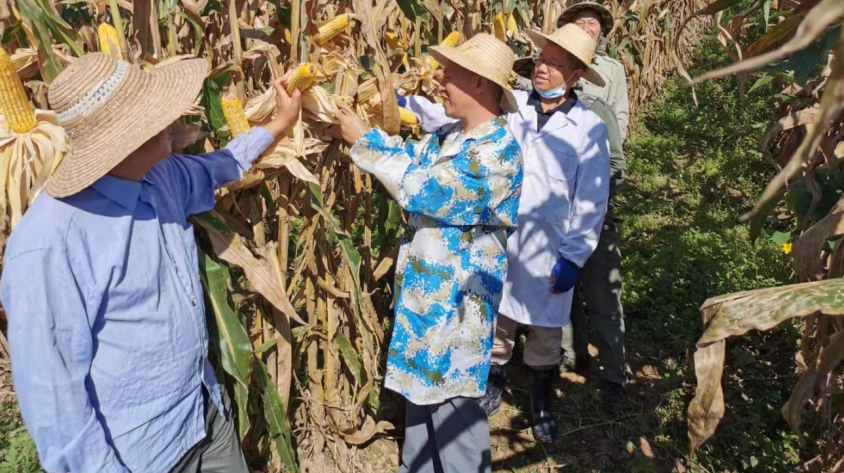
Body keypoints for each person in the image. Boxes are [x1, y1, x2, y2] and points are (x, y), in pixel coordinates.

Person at [1, 53, 302, 473]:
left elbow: (221, 166)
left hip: (206, 418)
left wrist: (280, 123)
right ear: (120, 139)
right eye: (154, 114)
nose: (171, 120)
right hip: (141, 456)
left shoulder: (160, 176)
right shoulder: (49, 246)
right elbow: (55, 406)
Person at [405, 24, 611, 443]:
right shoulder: (512, 107)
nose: (542, 69)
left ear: (575, 76)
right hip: (498, 240)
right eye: (541, 59)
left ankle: (540, 405)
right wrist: (406, 105)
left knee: (544, 335)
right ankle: (490, 387)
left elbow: (592, 200)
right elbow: (452, 116)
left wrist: (573, 257)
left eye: (556, 64)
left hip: (549, 249)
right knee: (496, 325)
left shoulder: (589, 128)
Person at [333, 33, 523, 473]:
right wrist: (356, 133)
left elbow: (426, 189)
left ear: (479, 84)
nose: (439, 80)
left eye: (450, 73)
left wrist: (364, 142)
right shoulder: (452, 138)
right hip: (427, 308)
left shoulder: (499, 155)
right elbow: (409, 156)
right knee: (420, 406)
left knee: (454, 417)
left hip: (457, 315)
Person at [557, 2, 629, 414]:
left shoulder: (599, 107)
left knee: (602, 292)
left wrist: (595, 197)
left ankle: (615, 374)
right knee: (561, 290)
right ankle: (570, 355)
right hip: (552, 220)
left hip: (594, 215)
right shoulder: (533, 108)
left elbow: (615, 161)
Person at [558, 2, 630, 140]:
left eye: (592, 24)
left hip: (594, 145)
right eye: (580, 23)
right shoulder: (554, 61)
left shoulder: (612, 69)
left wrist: (612, 149)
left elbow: (619, 114)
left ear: (601, 30)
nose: (586, 29)